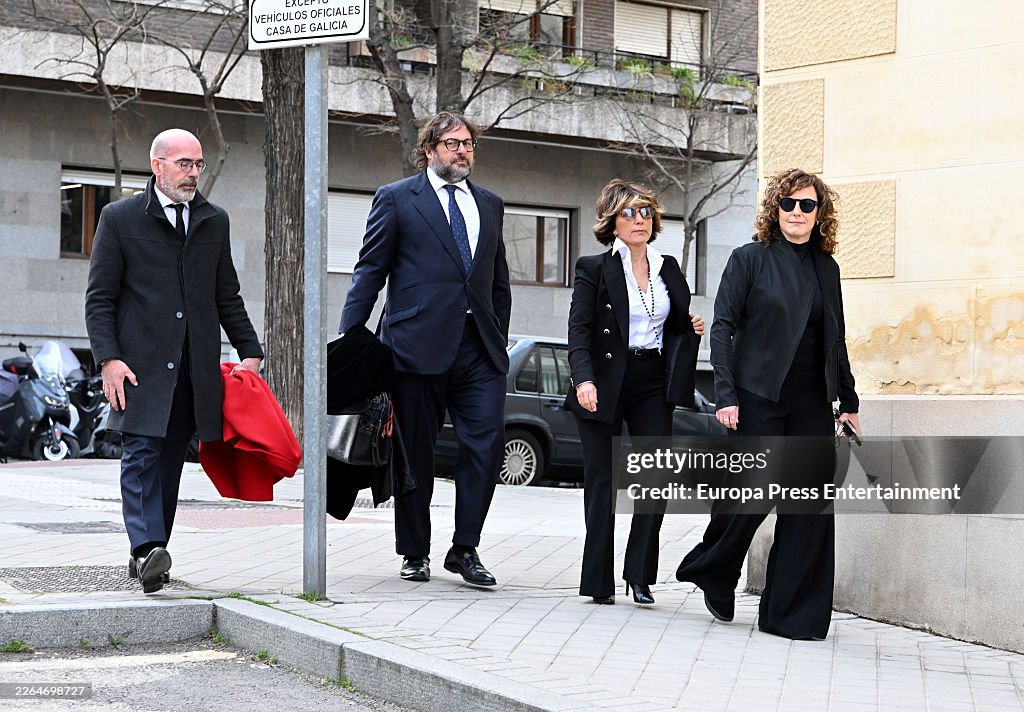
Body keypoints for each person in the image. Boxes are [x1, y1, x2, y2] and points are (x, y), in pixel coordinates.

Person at [675, 168, 861, 640]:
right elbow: (722, 327)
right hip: (759, 395)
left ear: (819, 214)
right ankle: (713, 568)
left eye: (807, 205)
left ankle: (790, 614)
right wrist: (726, 394)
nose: (796, 212)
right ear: (774, 209)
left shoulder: (827, 268)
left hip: (812, 400)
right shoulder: (749, 258)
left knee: (808, 506)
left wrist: (848, 400)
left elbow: (835, 338)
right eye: (788, 203)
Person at [85, 128, 263, 593]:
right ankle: (147, 548)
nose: (193, 173)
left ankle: (149, 554)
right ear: (157, 165)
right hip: (138, 366)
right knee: (141, 455)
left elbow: (227, 294)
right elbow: (100, 298)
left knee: (168, 466)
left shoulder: (214, 220)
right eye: (184, 163)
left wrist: (250, 351)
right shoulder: (119, 217)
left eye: (198, 164)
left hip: (193, 369)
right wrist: (108, 359)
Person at [339, 112, 511, 587]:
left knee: (486, 447)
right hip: (415, 347)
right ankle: (414, 551)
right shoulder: (397, 198)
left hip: (479, 349)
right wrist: (352, 337)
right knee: (414, 454)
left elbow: (498, 281)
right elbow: (370, 270)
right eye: (453, 143)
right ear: (430, 149)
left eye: (468, 144)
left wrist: (498, 332)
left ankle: (465, 548)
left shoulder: (490, 204)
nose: (463, 151)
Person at [565, 179, 704, 605]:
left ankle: (640, 576)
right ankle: (598, 582)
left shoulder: (667, 267)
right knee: (602, 482)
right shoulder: (594, 268)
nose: (639, 219)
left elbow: (674, 322)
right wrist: (583, 379)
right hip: (604, 379)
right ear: (612, 222)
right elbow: (579, 329)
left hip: (652, 379)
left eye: (645, 212)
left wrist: (690, 325)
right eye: (628, 212)